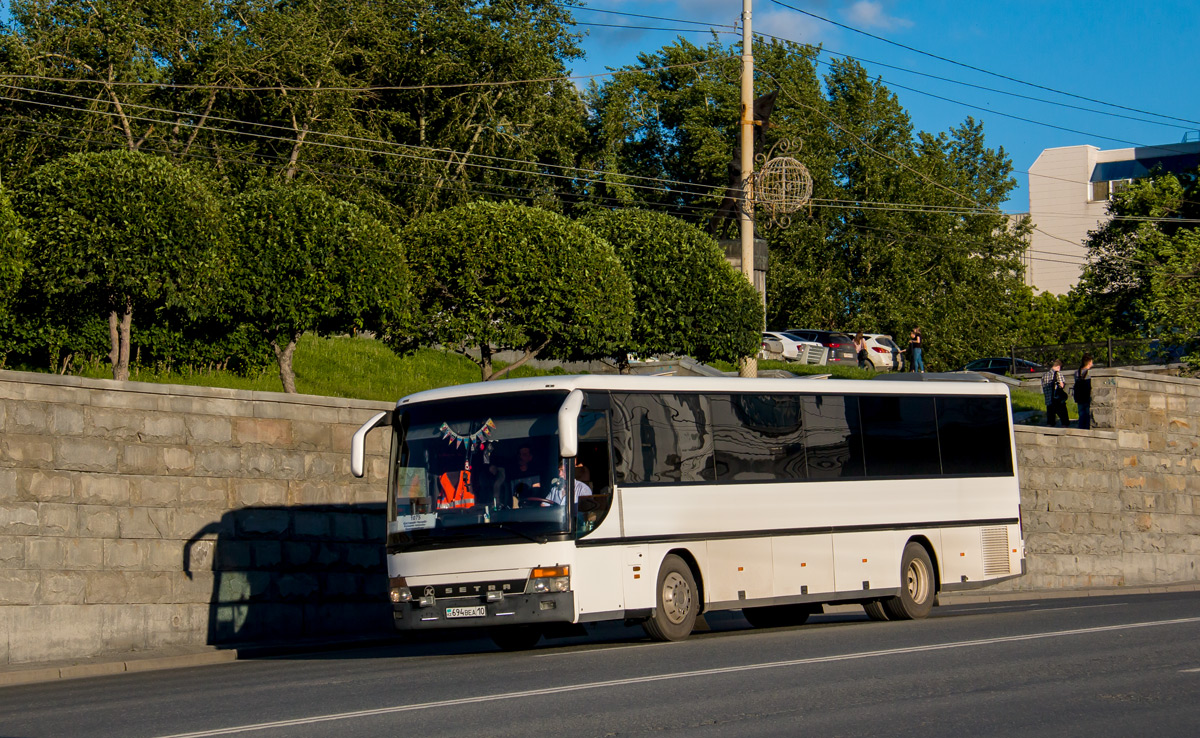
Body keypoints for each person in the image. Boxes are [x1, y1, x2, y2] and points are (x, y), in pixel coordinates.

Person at [1042, 358, 1069, 427]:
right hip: (1057, 399)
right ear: (1058, 366)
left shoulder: (1044, 375)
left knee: (1050, 421)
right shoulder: (1058, 374)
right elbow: (1061, 385)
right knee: (1064, 419)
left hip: (1048, 400)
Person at [1074, 353, 1094, 430]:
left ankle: (1081, 428)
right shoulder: (1090, 373)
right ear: (1089, 362)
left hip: (1079, 396)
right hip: (1087, 396)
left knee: (1081, 414)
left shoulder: (1077, 372)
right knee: (1088, 414)